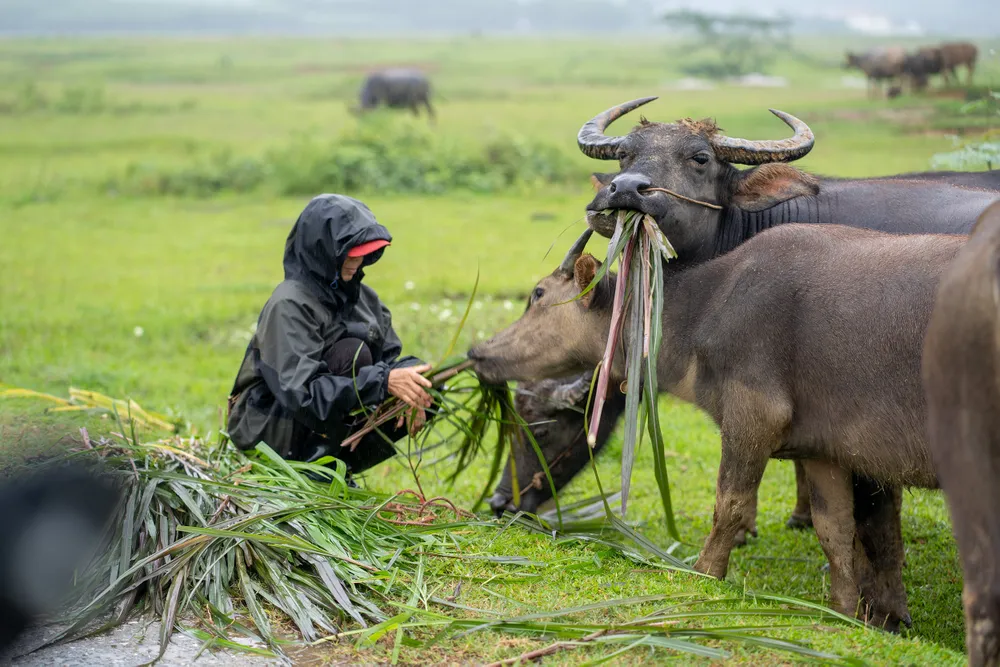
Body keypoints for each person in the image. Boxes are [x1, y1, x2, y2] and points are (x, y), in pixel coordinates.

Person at [226, 194, 434, 478]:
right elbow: (303, 394)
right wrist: (383, 382)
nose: (357, 260)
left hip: (316, 419)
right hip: (270, 430)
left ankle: (337, 467)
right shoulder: (288, 304)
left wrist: (413, 383)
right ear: (322, 250)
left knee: (424, 385)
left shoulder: (364, 298)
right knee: (353, 356)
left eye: (364, 252)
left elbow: (390, 360)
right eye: (350, 252)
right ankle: (312, 470)